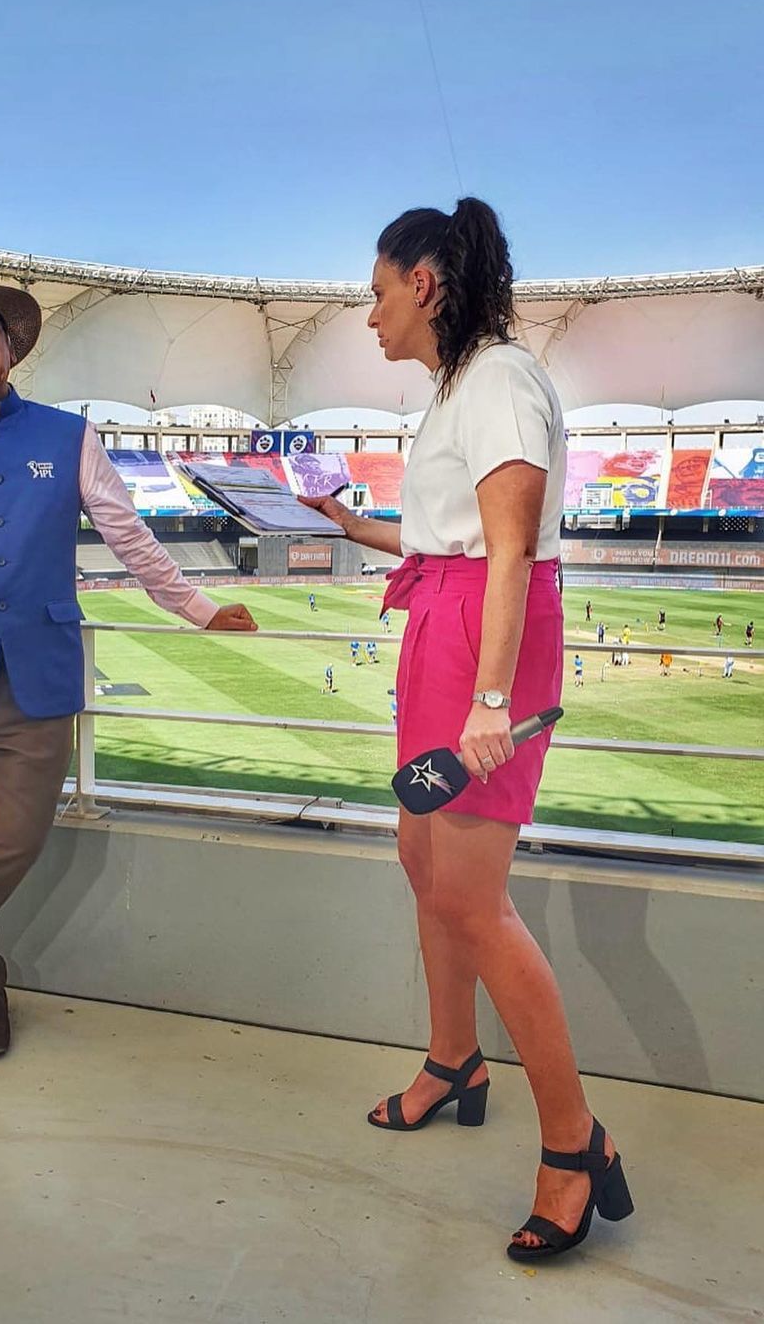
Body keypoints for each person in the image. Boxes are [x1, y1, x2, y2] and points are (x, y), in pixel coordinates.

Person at [299, 198, 630, 1261]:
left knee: (475, 904)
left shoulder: (498, 379)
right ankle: (455, 1061)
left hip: (486, 639)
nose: (370, 316)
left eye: (377, 294)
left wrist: (492, 700)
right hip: (441, 622)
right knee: (422, 860)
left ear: (424, 283)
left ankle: (576, 1143)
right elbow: (440, 535)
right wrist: (346, 522)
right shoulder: (456, 389)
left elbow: (510, 550)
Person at [0, 273, 256, 1061]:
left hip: (38, 677)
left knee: (13, 840)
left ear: (8, 343)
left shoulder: (68, 436)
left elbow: (128, 534)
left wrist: (197, 607)